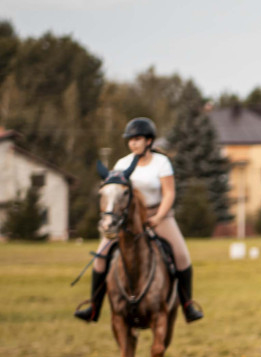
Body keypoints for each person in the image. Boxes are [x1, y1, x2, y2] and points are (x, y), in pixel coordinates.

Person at [75, 117, 203, 323]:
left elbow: (169, 193)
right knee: (100, 256)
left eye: (138, 138)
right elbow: (115, 194)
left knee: (182, 255)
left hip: (157, 215)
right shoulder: (122, 164)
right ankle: (93, 307)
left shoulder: (161, 162)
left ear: (149, 141)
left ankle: (188, 306)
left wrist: (159, 216)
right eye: (130, 139)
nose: (133, 143)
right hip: (127, 220)